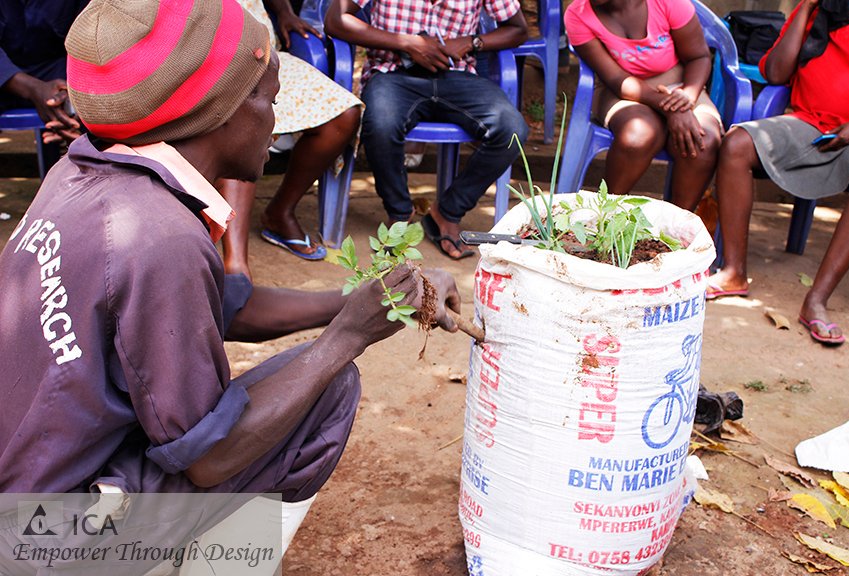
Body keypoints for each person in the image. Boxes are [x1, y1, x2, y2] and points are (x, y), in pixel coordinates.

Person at [0, 0, 459, 508]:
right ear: (223, 109)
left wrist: (362, 301)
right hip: (44, 528)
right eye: (272, 100)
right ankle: (177, 546)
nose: (278, 127)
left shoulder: (79, 173)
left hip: (24, 481)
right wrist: (347, 336)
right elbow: (208, 458)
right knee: (326, 390)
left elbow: (223, 307)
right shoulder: (160, 235)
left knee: (301, 377)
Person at [707, 0, 849, 347]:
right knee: (736, 144)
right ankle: (733, 272)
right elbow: (776, 73)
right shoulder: (820, 13)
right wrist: (806, 8)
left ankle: (816, 300)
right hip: (809, 124)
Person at [323, 0, 530, 260]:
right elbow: (336, 20)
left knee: (512, 130)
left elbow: (518, 29)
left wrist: (472, 42)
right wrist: (407, 43)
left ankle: (447, 213)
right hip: (393, 74)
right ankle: (400, 213)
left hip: (457, 76)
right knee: (381, 124)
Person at [218, 0, 362, 274]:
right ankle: (236, 267)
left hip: (264, 57)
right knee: (245, 120)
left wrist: (284, 11)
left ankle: (280, 212)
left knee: (343, 115)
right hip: (213, 61)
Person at [564, 0, 722, 211]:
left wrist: (686, 97)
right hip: (620, 91)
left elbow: (699, 57)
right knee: (639, 134)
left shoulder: (667, 3)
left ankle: (677, 222)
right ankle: (607, 214)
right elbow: (616, 79)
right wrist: (671, 109)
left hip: (680, 86)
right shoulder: (578, 14)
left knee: (702, 140)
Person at [0, 0, 87, 145]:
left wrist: (72, 93)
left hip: (58, 72)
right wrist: (33, 89)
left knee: (97, 99)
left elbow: (92, 40)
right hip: (6, 77)